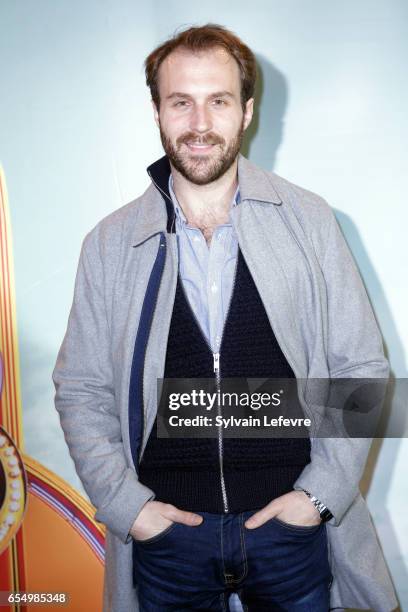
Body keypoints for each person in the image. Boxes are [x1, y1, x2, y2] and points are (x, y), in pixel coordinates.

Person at [52, 24, 398, 612]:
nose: (199, 123)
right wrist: (127, 508)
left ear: (247, 111)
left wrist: (318, 497)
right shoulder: (109, 244)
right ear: (157, 111)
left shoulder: (309, 221)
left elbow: (361, 368)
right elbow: (80, 388)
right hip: (167, 542)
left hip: (290, 532)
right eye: (180, 101)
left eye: (219, 100)